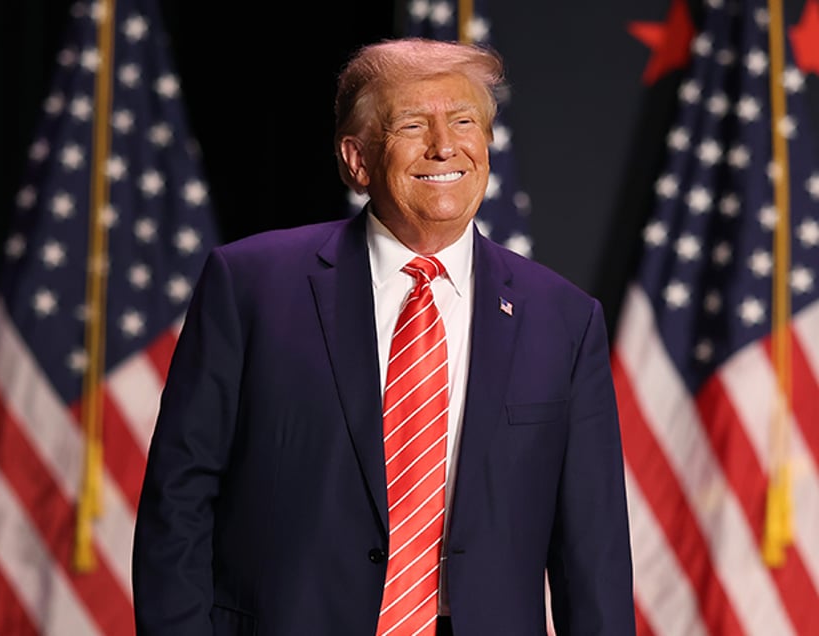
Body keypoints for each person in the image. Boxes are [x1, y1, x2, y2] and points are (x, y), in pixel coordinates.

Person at [132, 37, 636, 636]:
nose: (445, 146)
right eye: (414, 125)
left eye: (464, 121)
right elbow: (179, 500)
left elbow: (593, 553)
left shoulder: (564, 319)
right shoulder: (250, 288)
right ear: (357, 159)